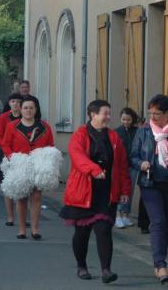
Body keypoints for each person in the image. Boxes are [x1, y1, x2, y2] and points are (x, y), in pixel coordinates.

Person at [60, 100, 130, 283]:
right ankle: (81, 266)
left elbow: (122, 166)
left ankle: (106, 270)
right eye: (105, 113)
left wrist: (125, 190)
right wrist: (94, 169)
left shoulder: (114, 137)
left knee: (104, 229)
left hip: (106, 193)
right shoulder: (80, 134)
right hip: (83, 192)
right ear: (93, 115)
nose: (108, 117)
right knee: (82, 233)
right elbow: (77, 156)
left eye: (109, 113)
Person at [1, 97, 53, 240]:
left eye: (31, 108)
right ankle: (22, 229)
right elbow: (5, 144)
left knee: (36, 196)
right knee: (22, 197)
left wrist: (47, 162)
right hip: (20, 164)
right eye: (25, 108)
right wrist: (12, 157)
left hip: (38, 165)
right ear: (20, 109)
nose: (28, 110)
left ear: (36, 110)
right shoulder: (12, 126)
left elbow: (50, 145)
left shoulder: (45, 126)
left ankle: (35, 229)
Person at [131, 94, 168, 284]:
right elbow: (133, 156)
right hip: (150, 183)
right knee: (158, 222)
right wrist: (141, 163)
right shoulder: (144, 131)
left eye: (157, 113)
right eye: (150, 113)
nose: (152, 117)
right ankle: (160, 265)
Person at [0, 93, 22, 226]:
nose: (15, 104)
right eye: (13, 101)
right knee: (8, 185)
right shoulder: (4, 117)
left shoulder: (26, 116)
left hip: (22, 154)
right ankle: (10, 217)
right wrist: (7, 150)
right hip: (6, 152)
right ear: (9, 103)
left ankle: (22, 217)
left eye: (18, 101)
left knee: (22, 186)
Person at [114, 107, 140, 229]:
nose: (125, 122)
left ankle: (125, 215)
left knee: (129, 191)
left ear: (133, 119)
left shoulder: (137, 131)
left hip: (133, 165)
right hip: (120, 166)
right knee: (120, 190)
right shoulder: (117, 132)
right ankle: (118, 215)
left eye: (128, 119)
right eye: (123, 119)